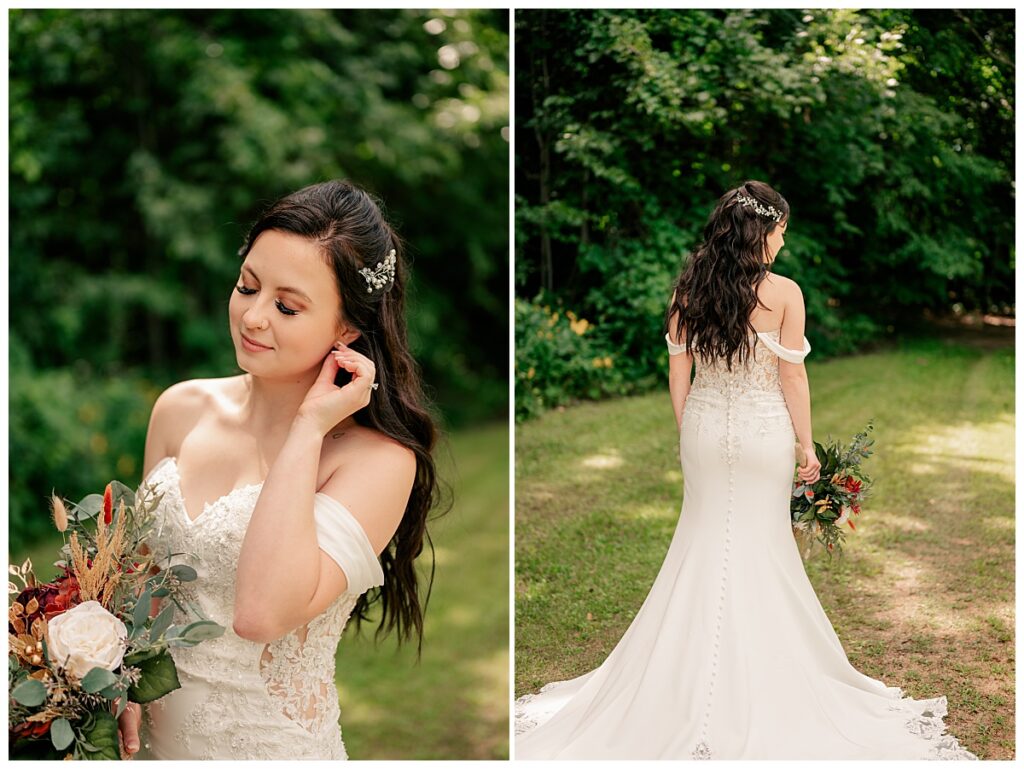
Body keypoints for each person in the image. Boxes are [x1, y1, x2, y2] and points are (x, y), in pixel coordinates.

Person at [514, 181, 977, 760]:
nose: (785, 241)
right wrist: (807, 448)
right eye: (782, 229)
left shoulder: (689, 288)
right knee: (761, 548)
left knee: (703, 543)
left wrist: (689, 432)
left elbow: (677, 372)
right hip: (763, 436)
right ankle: (765, 674)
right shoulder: (784, 294)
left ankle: (682, 680)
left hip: (704, 432)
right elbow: (793, 378)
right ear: (765, 230)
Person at [117, 179, 440, 759]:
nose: (253, 316)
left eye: (287, 306)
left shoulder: (380, 462)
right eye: (247, 286)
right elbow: (141, 585)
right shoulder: (180, 409)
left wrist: (309, 427)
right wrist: (111, 677)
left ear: (347, 328)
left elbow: (261, 614)